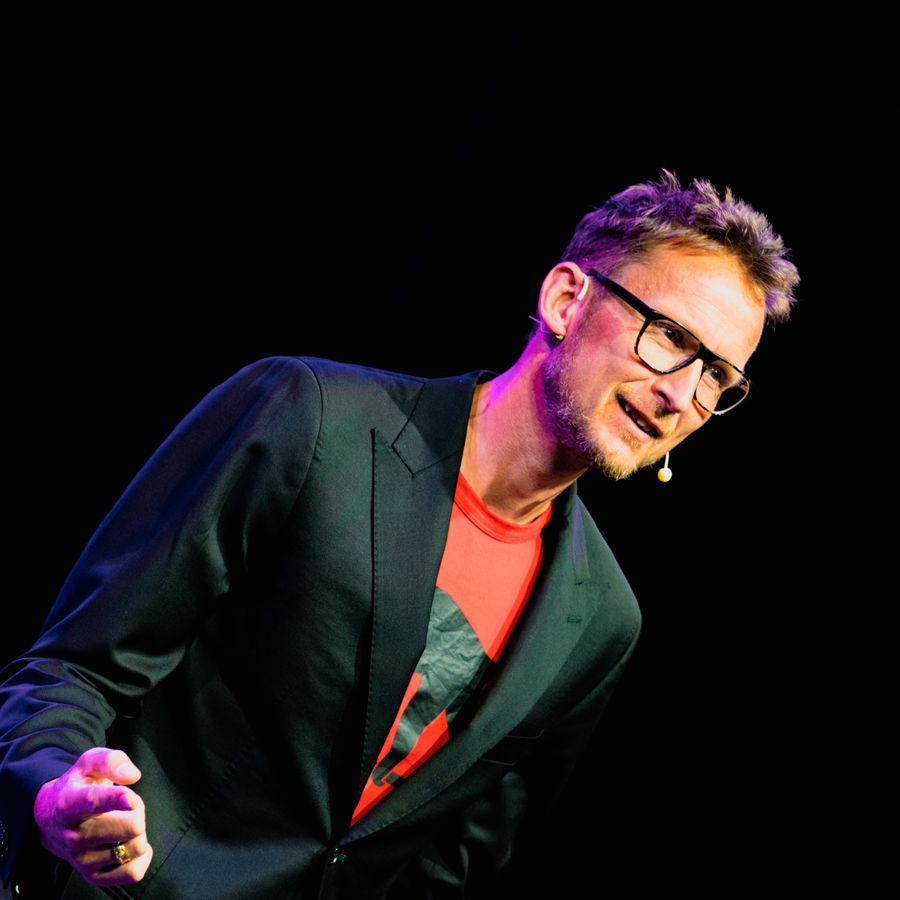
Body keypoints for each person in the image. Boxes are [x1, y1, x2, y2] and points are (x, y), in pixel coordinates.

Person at [0, 171, 798, 899]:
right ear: (566, 301)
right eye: (671, 337)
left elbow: (456, 859)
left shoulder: (602, 620)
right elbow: (72, 671)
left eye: (717, 377)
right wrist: (59, 791)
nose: (681, 396)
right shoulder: (312, 420)